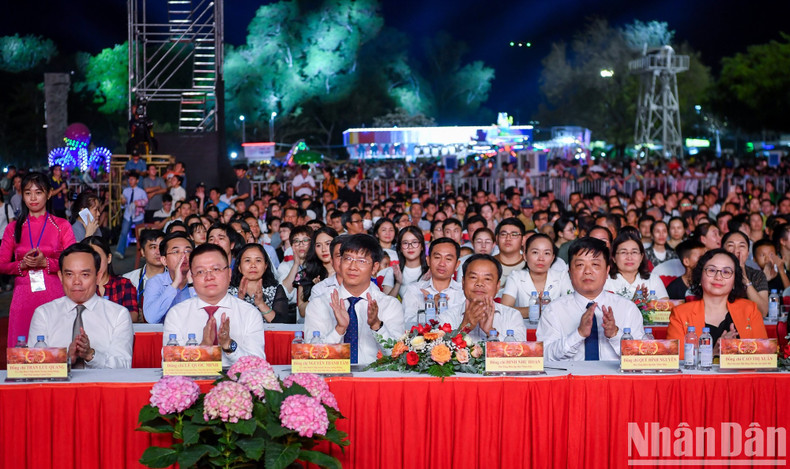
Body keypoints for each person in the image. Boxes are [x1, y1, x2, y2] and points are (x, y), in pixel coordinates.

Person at [537, 237, 645, 361]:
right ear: (569, 272)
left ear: (607, 271)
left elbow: (642, 357)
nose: (587, 271)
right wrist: (578, 334)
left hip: (615, 379)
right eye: (580, 265)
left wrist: (615, 334)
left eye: (595, 264)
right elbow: (544, 357)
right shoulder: (553, 310)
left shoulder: (627, 309)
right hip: (570, 380)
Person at [27, 243, 133, 368]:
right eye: (69, 274)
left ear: (98, 277)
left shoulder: (118, 314)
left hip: (100, 386)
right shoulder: (44, 313)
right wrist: (66, 359)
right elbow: (32, 366)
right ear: (61, 277)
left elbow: (124, 366)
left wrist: (91, 355)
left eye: (85, 275)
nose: (77, 282)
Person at [0, 172, 76, 344]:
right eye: (28, 193)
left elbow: (73, 262)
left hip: (54, 294)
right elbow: (2, 264)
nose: (33, 198)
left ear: (49, 194)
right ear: (22, 195)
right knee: (22, 351)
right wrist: (21, 265)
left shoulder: (61, 225)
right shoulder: (13, 228)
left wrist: (46, 263)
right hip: (23, 296)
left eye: (38, 192)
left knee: (55, 350)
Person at [304, 234, 404, 364]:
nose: (352, 266)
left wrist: (377, 326)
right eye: (348, 259)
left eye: (361, 261)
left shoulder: (389, 305)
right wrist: (339, 329)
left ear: (375, 267)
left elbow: (398, 356)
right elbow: (311, 360)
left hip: (374, 379)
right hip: (333, 380)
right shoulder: (319, 304)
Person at [164, 243, 266, 366]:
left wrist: (229, 345)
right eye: (200, 271)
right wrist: (204, 347)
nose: (209, 277)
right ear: (192, 277)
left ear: (229, 274)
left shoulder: (249, 313)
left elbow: (259, 366)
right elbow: (168, 365)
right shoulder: (177, 314)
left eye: (216, 269)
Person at [668, 249, 767, 359]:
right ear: (700, 277)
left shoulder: (749, 310)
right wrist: (713, 353)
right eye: (711, 270)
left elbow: (764, 356)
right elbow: (676, 362)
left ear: (734, 281)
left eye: (726, 272)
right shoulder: (680, 314)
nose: (718, 277)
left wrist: (735, 349)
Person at [438, 253, 526, 342]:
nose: (479, 283)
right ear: (463, 282)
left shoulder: (512, 316)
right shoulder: (446, 318)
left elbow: (521, 352)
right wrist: (464, 327)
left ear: (497, 286)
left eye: (487, 279)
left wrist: (491, 332)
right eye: (473, 277)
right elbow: (439, 353)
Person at [501, 233, 573, 318]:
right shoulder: (515, 277)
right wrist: (537, 309)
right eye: (535, 252)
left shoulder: (562, 276)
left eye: (546, 253)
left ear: (553, 258)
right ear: (525, 256)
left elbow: (570, 308)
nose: (541, 258)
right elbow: (505, 310)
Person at [401, 238, 465, 324]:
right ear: (428, 261)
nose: (442, 263)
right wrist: (431, 310)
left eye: (448, 259)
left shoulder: (463, 292)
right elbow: (407, 324)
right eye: (437, 257)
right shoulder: (414, 290)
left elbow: (465, 325)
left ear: (457, 265)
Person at [228, 243, 290, 323]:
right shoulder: (228, 291)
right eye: (247, 260)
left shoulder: (276, 290)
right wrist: (239, 300)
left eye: (258, 260)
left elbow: (282, 324)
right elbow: (224, 322)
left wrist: (261, 304)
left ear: (265, 266)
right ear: (239, 267)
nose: (253, 265)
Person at [83, 236, 140, 322]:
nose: (93, 262)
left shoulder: (124, 284)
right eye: (88, 258)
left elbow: (133, 316)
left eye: (97, 257)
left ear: (109, 258)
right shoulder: (79, 286)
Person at [143, 232, 196, 323]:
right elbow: (151, 318)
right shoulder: (155, 282)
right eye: (176, 252)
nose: (183, 256)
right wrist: (174, 284)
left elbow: (205, 316)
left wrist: (191, 283)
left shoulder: (202, 279)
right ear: (164, 260)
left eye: (188, 251)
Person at [605, 231, 669, 299]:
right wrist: (635, 301)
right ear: (614, 258)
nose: (629, 257)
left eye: (634, 252)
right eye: (623, 252)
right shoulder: (605, 280)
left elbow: (665, 306)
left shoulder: (653, 280)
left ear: (641, 257)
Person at [722, 230, 769, 316]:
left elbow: (763, 312)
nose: (736, 251)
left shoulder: (756, 275)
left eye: (742, 246)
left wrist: (745, 280)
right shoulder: (715, 274)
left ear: (748, 253)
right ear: (722, 250)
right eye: (731, 245)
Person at [297, 227, 339, 321]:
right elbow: (302, 312)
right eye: (318, 245)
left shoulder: (345, 273)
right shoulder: (305, 274)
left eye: (328, 244)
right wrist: (317, 292)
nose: (324, 249)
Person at [123, 229, 165, 315]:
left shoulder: (175, 279)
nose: (158, 252)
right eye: (153, 247)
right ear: (142, 252)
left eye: (162, 247)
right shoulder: (128, 280)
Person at [114, 171, 148, 260]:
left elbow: (145, 202)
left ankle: (143, 253)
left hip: (138, 216)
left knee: (141, 235)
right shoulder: (126, 191)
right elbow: (123, 205)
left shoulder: (141, 192)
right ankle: (120, 251)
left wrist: (138, 203)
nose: (130, 181)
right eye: (129, 179)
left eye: (132, 179)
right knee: (124, 233)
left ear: (137, 180)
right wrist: (122, 202)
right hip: (128, 214)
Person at [392, 225, 428, 298]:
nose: (410, 246)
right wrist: (398, 283)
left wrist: (424, 282)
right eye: (405, 243)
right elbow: (386, 304)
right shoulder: (393, 271)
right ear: (400, 248)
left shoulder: (429, 272)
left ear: (422, 247)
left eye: (414, 242)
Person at [493, 218, 526, 291]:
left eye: (514, 234)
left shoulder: (530, 265)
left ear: (523, 240)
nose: (508, 238)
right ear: (497, 238)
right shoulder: (488, 264)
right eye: (503, 234)